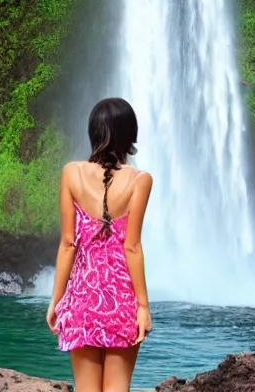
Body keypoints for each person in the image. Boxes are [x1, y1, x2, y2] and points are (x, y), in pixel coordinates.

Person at [46, 97, 153, 392]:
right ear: (131, 136)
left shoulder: (71, 173)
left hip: (82, 300)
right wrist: (142, 306)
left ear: (93, 132)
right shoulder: (140, 180)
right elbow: (132, 247)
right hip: (121, 303)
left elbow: (68, 244)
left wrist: (56, 301)